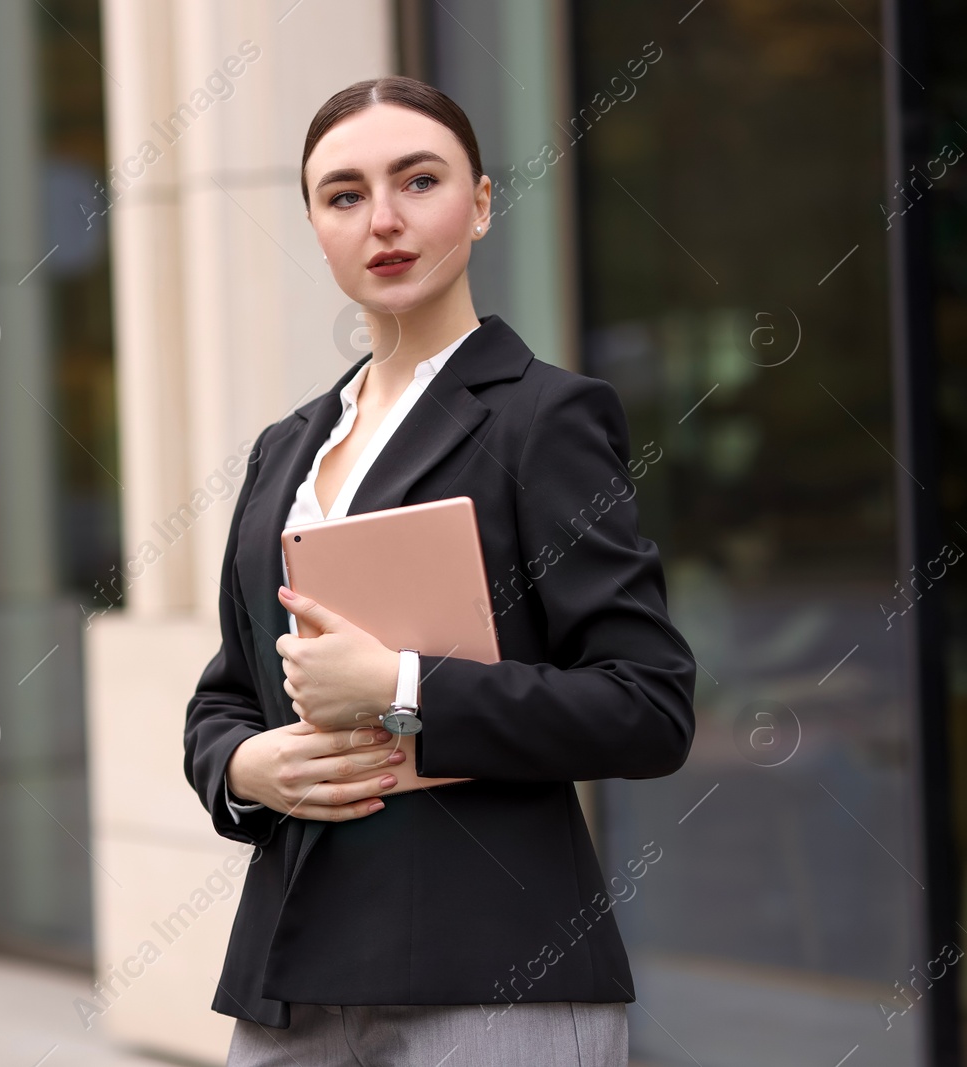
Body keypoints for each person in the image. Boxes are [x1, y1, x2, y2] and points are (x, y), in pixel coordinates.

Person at [182, 76, 697, 1067]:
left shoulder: (544, 418)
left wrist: (403, 688)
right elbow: (225, 696)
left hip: (491, 968)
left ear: (483, 202)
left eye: (418, 180)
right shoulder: (282, 449)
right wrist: (243, 768)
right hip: (288, 982)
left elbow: (648, 703)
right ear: (314, 224)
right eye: (342, 194)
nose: (382, 218)